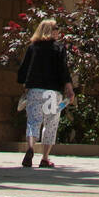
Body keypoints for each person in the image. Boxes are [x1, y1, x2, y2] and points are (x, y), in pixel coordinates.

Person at [17, 18, 76, 168]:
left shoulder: (32, 47)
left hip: (35, 89)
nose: (58, 31)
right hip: (52, 91)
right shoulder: (58, 48)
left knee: (33, 121)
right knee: (51, 123)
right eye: (56, 28)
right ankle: (44, 158)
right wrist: (69, 87)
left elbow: (23, 69)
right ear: (50, 30)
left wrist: (24, 84)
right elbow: (63, 69)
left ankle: (30, 147)